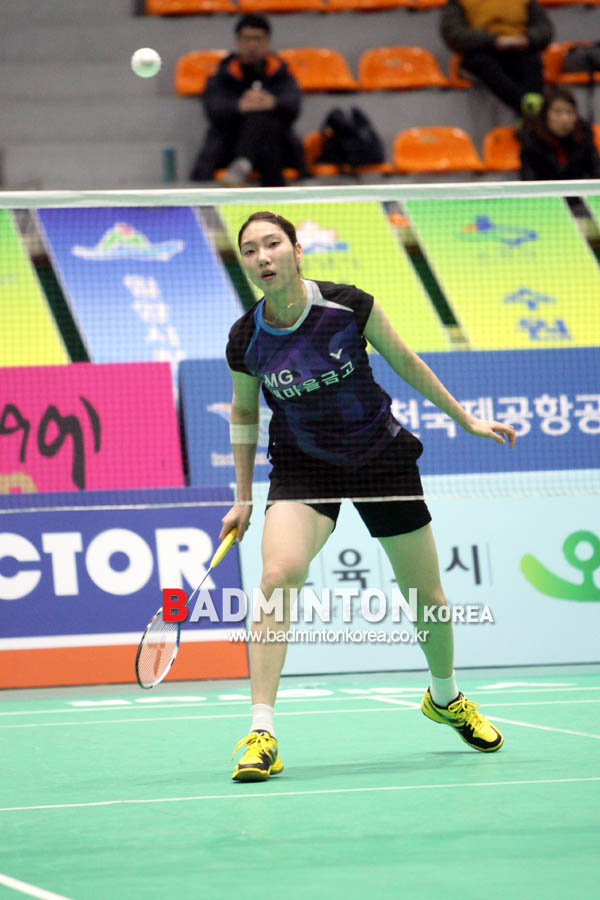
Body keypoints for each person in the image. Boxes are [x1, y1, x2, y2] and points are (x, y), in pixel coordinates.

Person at [223, 211, 516, 783]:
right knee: (277, 575)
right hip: (305, 464)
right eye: (251, 250)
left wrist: (465, 419)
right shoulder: (245, 339)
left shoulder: (347, 305)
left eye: (272, 244)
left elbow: (404, 360)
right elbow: (243, 411)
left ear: (296, 250)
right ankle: (261, 732)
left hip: (379, 454)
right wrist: (242, 496)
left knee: (426, 595)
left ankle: (445, 697)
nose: (262, 257)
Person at [189, 14, 305, 187]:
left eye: (258, 39)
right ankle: (264, 184)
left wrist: (273, 102)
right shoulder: (222, 74)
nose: (252, 45)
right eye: (247, 39)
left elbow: (293, 104)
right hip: (229, 147)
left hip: (276, 146)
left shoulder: (281, 73)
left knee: (265, 122)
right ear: (238, 41)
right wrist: (239, 106)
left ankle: (242, 165)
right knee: (259, 117)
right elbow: (214, 109)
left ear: (267, 41)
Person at [441, 0, 553, 117]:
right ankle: (531, 111)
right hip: (480, 50)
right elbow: (453, 33)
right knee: (482, 63)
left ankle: (533, 108)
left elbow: (544, 29)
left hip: (519, 48)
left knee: (532, 60)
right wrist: (492, 40)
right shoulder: (459, 2)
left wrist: (527, 38)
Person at [520, 86, 600, 180]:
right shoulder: (532, 140)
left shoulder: (584, 135)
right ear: (545, 115)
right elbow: (529, 180)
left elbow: (596, 172)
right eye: (558, 112)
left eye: (569, 112)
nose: (565, 119)